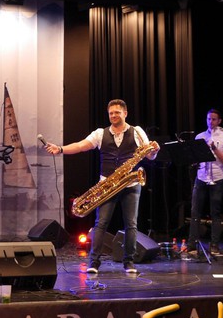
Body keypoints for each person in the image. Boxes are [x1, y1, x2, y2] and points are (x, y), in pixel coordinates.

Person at [43, 99, 159, 275]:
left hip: (131, 183)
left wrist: (154, 151)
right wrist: (60, 149)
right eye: (111, 113)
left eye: (117, 112)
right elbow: (80, 146)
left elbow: (149, 155)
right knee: (101, 223)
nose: (113, 115)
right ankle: (94, 262)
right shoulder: (100, 133)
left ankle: (129, 262)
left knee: (131, 224)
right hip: (107, 185)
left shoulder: (137, 131)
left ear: (125, 113)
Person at [187, 109, 223, 255]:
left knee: (215, 213)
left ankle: (214, 244)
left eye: (213, 119)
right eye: (208, 119)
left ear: (219, 121)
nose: (210, 122)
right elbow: (195, 157)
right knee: (195, 211)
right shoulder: (200, 136)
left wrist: (214, 148)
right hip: (201, 176)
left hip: (218, 178)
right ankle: (192, 244)